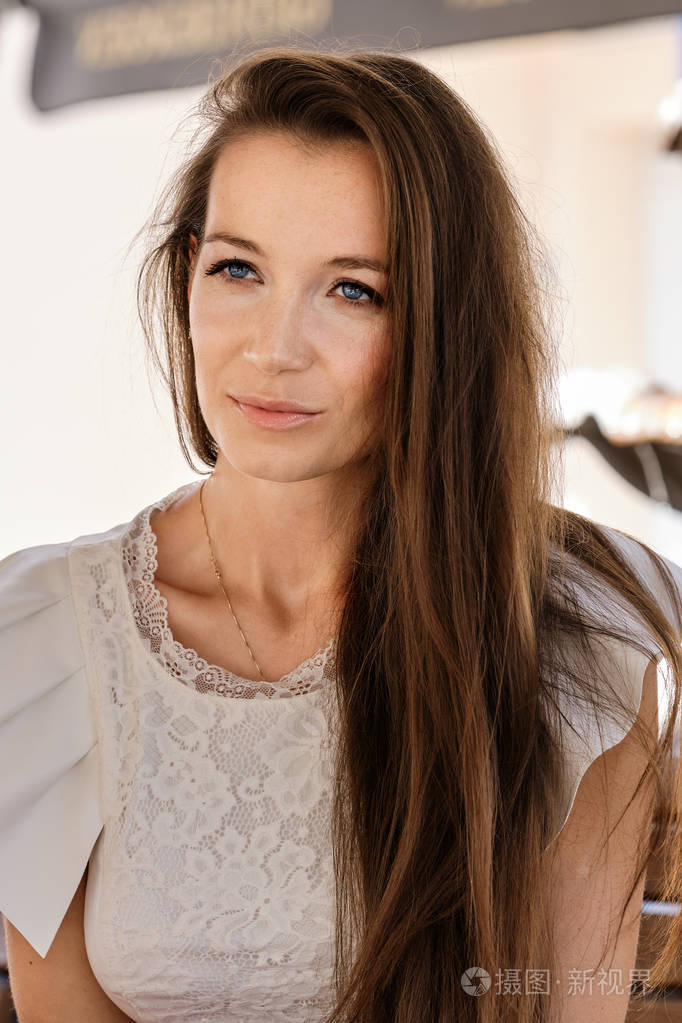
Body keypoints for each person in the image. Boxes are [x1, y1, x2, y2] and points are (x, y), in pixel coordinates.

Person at [1, 45, 681, 1023]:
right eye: (238, 269)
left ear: (445, 326)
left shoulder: (581, 632)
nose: (273, 349)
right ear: (186, 276)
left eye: (354, 290)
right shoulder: (43, 639)